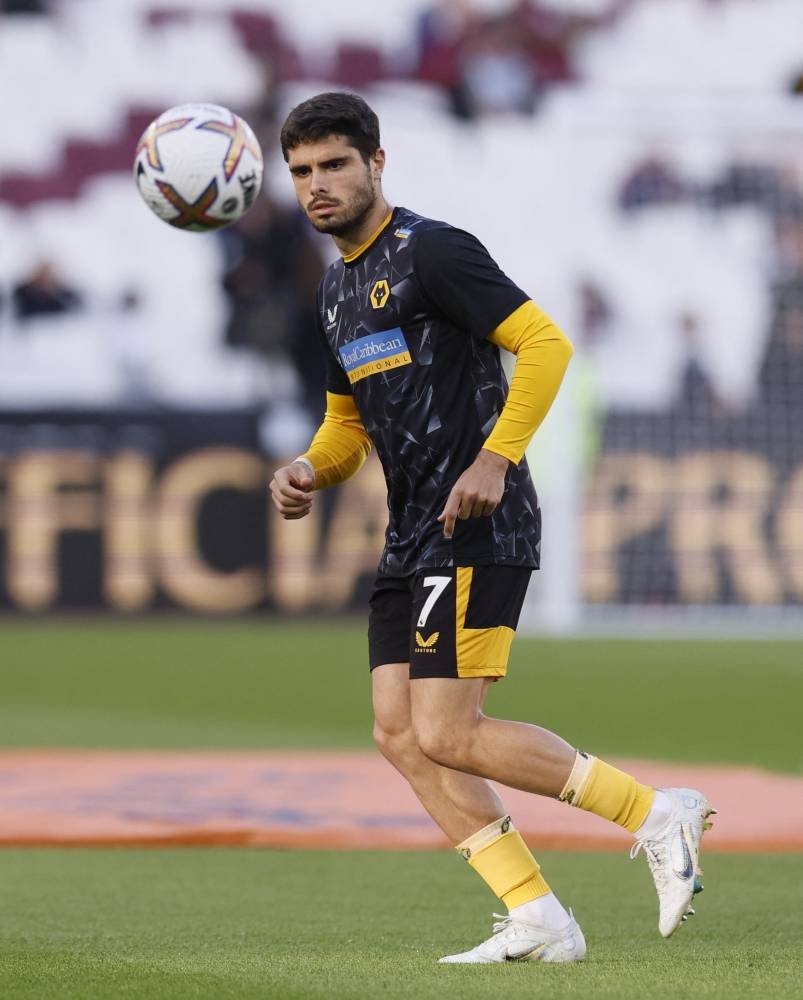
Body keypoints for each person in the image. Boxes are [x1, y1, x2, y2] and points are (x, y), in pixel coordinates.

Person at [269, 91, 715, 964]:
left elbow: (545, 343)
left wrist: (496, 457)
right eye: (301, 173)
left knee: (447, 730)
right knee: (399, 734)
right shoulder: (335, 290)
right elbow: (345, 427)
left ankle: (657, 813)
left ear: (376, 163)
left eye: (333, 165)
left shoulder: (432, 250)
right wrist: (306, 469)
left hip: (478, 515)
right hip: (414, 531)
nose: (317, 186)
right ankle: (538, 917)